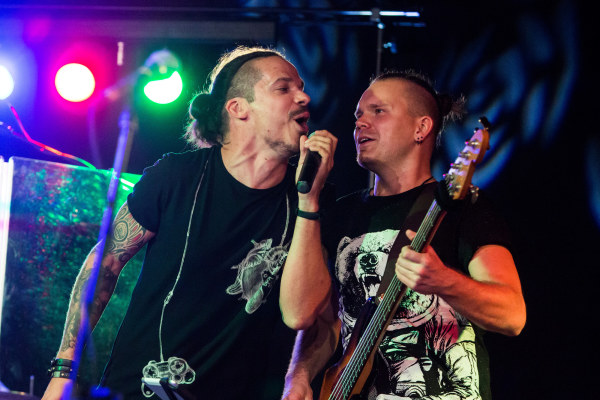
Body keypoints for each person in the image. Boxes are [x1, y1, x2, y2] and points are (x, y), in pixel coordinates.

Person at [41, 45, 337, 400]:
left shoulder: (310, 201)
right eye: (284, 88)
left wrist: (309, 201)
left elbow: (302, 315)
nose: (304, 97)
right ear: (238, 108)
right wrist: (64, 371)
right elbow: (105, 265)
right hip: (138, 389)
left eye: (301, 87)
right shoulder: (176, 177)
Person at [279, 70, 526, 400]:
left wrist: (443, 282)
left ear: (421, 128)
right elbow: (320, 322)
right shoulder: (341, 215)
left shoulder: (465, 209)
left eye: (378, 111)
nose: (360, 123)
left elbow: (512, 315)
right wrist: (298, 376)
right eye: (358, 115)